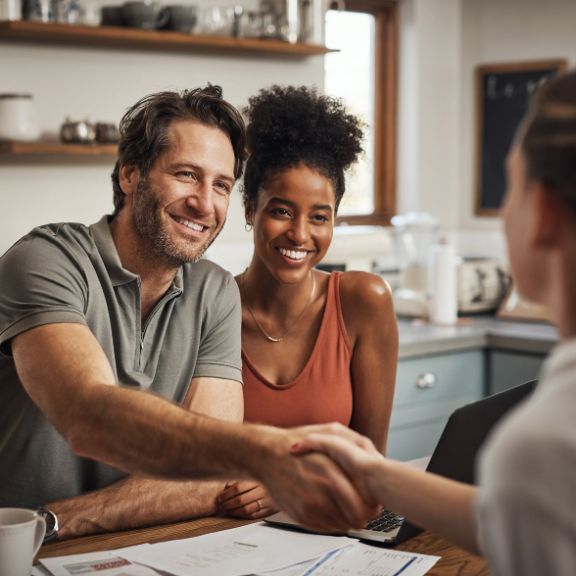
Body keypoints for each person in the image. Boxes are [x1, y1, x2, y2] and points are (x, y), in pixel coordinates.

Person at [0, 86, 377, 540]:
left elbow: (211, 474)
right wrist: (267, 451)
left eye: (221, 184)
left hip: (124, 544)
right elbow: (88, 416)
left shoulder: (214, 291)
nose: (204, 202)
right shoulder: (45, 260)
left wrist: (58, 520)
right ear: (130, 175)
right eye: (185, 175)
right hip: (18, 547)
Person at [292, 69, 576, 575]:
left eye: (508, 188)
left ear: (545, 213)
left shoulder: (541, 445)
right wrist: (373, 474)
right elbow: (507, 517)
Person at [217, 86, 398, 520]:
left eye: (320, 216)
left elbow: (370, 469)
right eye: (281, 211)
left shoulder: (363, 302)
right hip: (224, 535)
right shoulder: (212, 307)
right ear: (249, 209)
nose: (300, 235)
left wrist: (282, 485)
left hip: (335, 532)